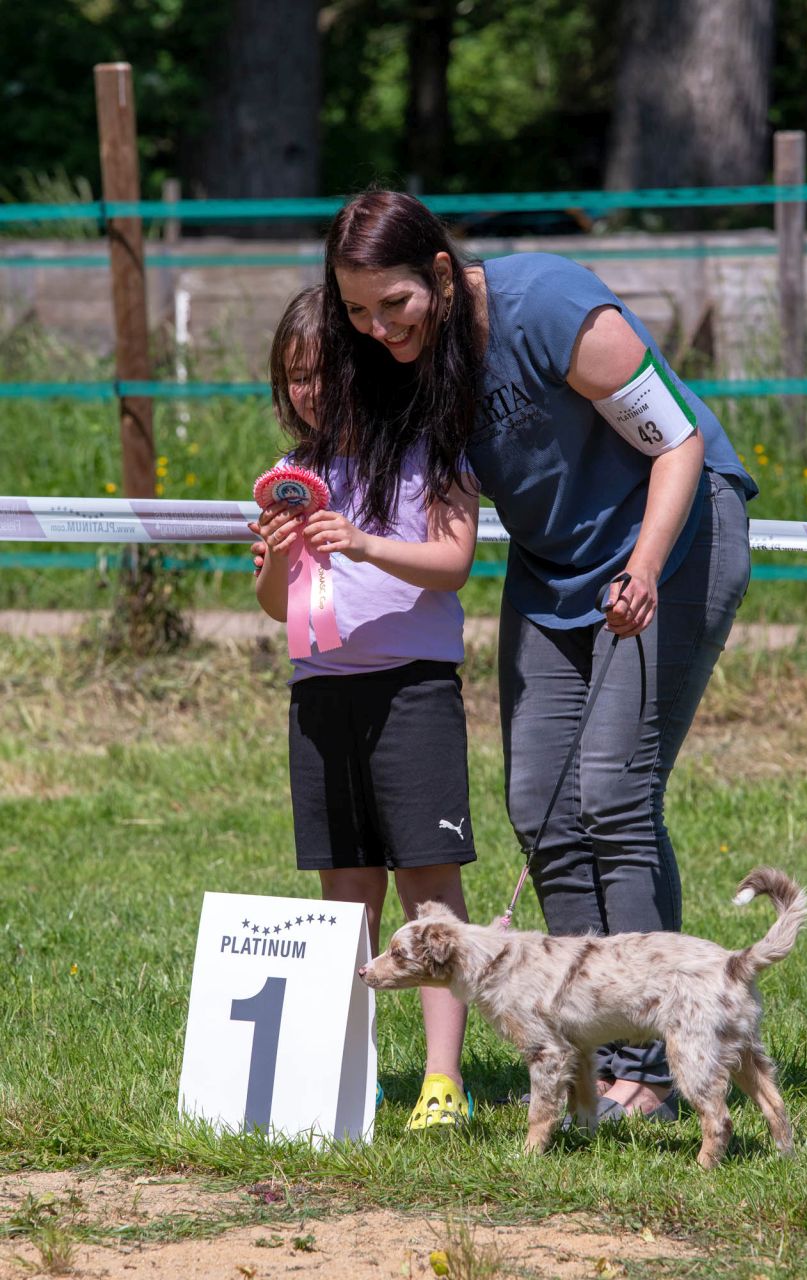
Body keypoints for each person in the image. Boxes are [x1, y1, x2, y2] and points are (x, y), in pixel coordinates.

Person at [312, 190, 757, 1122]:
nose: (378, 328)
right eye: (356, 311)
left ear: (439, 270)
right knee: (538, 808)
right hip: (555, 569)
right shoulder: (412, 365)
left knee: (610, 795)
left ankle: (655, 1066)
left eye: (392, 303)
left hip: (675, 538)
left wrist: (640, 569)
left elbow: (673, 442)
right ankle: (589, 1051)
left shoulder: (551, 307)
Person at [251, 285, 480, 1129]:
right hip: (319, 697)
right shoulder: (287, 478)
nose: (309, 390)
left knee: (428, 883)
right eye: (294, 376)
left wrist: (362, 540)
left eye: (321, 370)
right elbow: (279, 607)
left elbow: (453, 563)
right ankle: (354, 1076)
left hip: (411, 687)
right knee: (345, 890)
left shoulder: (432, 445)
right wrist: (277, 558)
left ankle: (442, 1082)